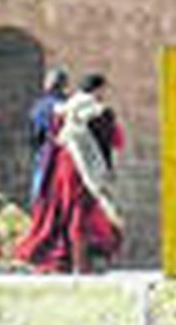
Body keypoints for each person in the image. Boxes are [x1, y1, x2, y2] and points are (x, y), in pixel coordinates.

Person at [15, 73, 124, 274]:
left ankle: (65, 260)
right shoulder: (99, 112)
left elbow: (46, 138)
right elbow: (117, 140)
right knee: (82, 214)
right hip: (83, 170)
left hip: (60, 166)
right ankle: (81, 263)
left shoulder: (61, 110)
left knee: (61, 212)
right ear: (98, 89)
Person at [27, 67, 71, 210]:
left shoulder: (41, 106)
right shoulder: (70, 104)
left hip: (46, 154)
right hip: (68, 157)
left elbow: (36, 134)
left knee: (41, 198)